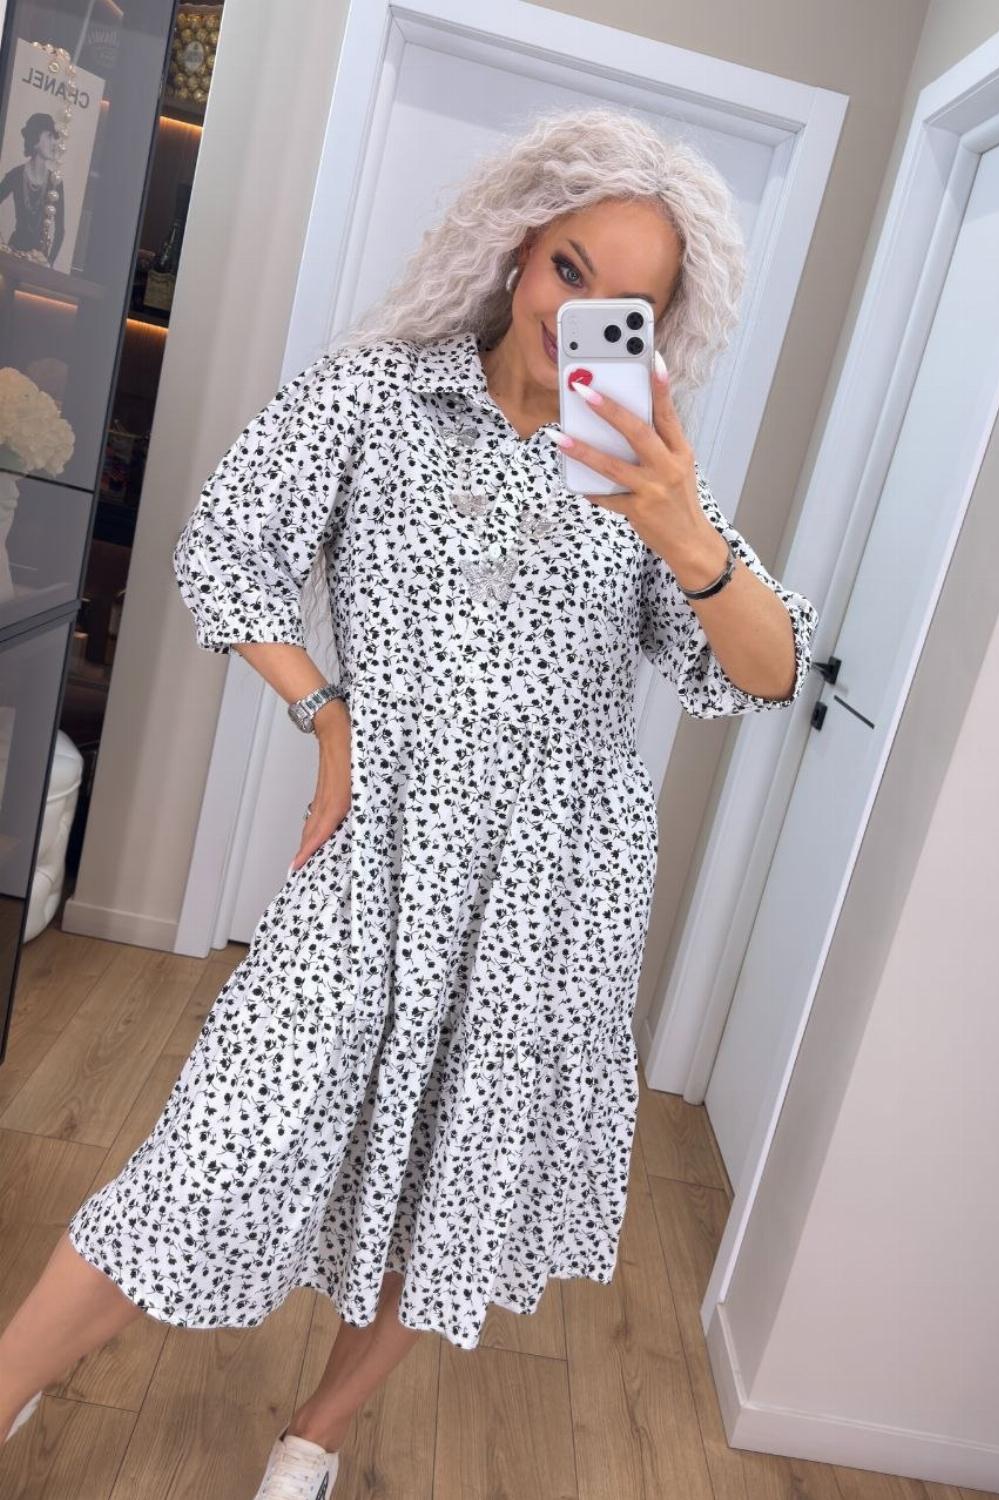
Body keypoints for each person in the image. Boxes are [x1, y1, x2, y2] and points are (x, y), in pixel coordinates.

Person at [0, 106, 819, 1498]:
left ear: (657, 332)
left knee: (457, 1179)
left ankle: (315, 1438)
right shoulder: (374, 396)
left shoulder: (644, 473)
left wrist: (681, 527)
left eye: (624, 305)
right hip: (378, 855)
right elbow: (225, 553)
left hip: (554, 890)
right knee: (221, 1146)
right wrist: (327, 717)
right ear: (518, 249)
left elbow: (767, 671)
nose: (576, 316)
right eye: (569, 269)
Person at [0, 112, 66, 265]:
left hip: (39, 261)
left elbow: (60, 230)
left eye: (54, 137)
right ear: (36, 140)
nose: (54, 142)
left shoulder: (55, 182)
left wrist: (49, 263)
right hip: (13, 254)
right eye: (49, 136)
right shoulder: (16, 175)